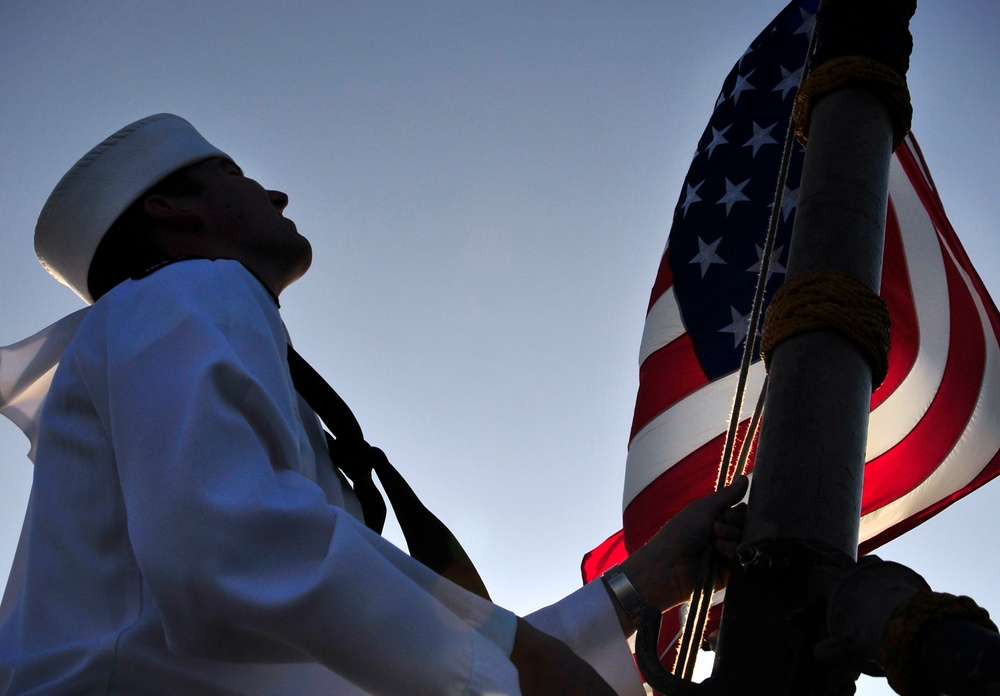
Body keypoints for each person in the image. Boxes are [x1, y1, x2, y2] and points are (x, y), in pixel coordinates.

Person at [0, 114, 747, 695]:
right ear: (171, 211)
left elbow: (362, 649)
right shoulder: (191, 291)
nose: (274, 193)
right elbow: (225, 551)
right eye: (235, 174)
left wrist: (636, 587)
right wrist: (513, 666)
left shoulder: (181, 341)